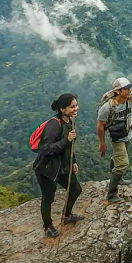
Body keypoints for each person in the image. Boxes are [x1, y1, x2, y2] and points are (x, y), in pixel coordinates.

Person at [33, 93, 84, 238]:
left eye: (76, 105)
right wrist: (66, 140)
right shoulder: (54, 125)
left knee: (75, 189)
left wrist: (73, 161)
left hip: (62, 166)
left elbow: (69, 147)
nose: (76, 109)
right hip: (48, 169)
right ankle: (47, 225)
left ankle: (67, 216)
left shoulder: (69, 121)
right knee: (48, 198)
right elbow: (46, 149)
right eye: (72, 106)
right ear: (62, 109)